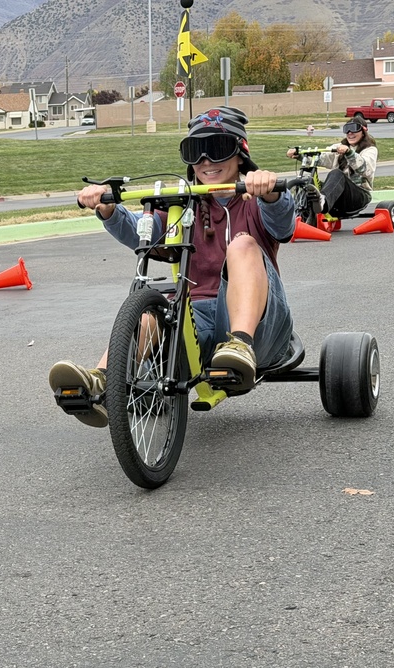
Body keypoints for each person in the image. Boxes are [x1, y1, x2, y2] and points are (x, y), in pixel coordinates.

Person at [50, 106, 296, 427]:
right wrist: (108, 210)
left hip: (261, 325)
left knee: (242, 245)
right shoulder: (185, 208)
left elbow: (282, 223)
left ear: (240, 155)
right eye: (196, 152)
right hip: (194, 324)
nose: (206, 160)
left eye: (217, 148)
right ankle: (104, 382)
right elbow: (144, 231)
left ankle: (240, 344)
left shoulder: (257, 202)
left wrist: (271, 192)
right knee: (152, 312)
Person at [287, 114, 376, 219]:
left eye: (354, 128)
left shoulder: (370, 150)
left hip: (359, 197)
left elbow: (365, 169)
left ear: (363, 131)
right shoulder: (339, 147)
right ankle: (298, 214)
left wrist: (349, 153)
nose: (350, 133)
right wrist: (300, 155)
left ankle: (323, 202)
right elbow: (322, 157)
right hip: (337, 199)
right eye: (347, 129)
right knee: (310, 186)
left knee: (336, 174)